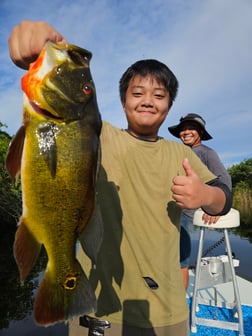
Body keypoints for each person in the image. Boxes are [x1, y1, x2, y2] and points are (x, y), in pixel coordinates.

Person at [8, 21, 232, 336]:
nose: (147, 100)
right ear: (123, 100)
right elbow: (73, 103)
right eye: (137, 92)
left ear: (168, 108)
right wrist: (50, 45)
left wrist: (205, 197)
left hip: (166, 311)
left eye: (159, 95)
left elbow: (223, 196)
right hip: (100, 312)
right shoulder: (98, 134)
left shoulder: (180, 154)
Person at [168, 113, 232, 289]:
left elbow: (224, 180)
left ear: (201, 133)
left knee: (181, 259)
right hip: (171, 211)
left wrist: (216, 208)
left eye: (191, 129)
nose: (186, 132)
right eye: (183, 129)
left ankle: (180, 306)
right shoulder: (179, 152)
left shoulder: (206, 153)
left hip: (186, 215)